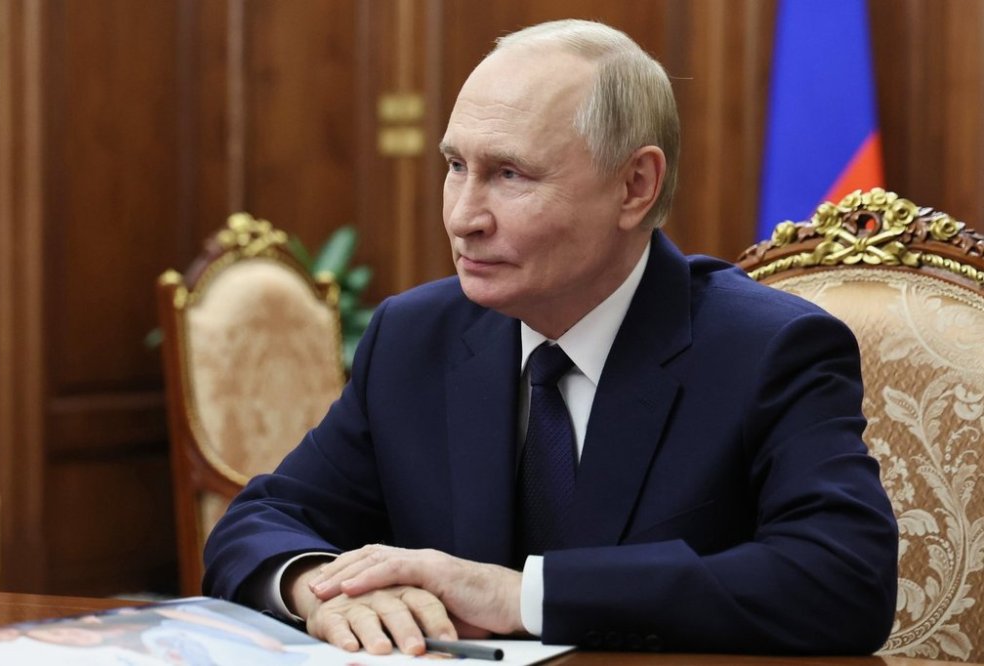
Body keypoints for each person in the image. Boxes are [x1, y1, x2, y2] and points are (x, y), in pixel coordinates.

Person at [203, 18, 898, 656]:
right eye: (454, 167)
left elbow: (841, 578)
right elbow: (260, 522)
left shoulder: (767, 350)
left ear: (634, 186)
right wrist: (323, 588)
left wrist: (523, 596)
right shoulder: (415, 337)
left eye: (509, 174)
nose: (464, 217)